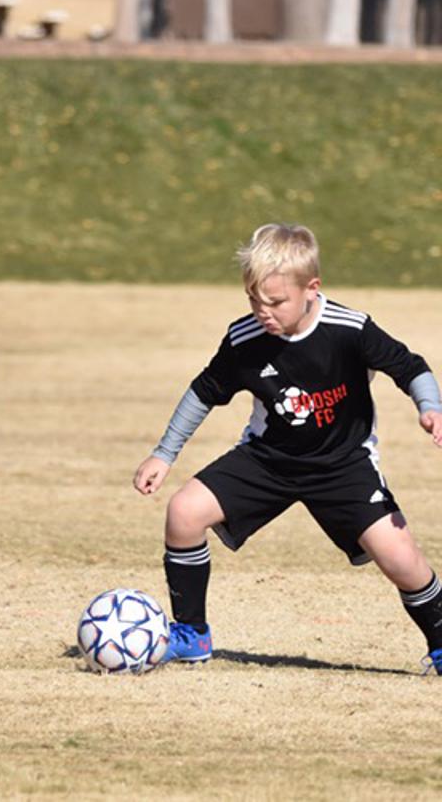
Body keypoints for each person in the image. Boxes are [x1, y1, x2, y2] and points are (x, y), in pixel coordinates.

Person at [133, 223, 442, 674]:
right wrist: (164, 454)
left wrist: (430, 406)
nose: (264, 311)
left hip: (343, 465)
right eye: (254, 299)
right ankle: (191, 634)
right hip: (268, 460)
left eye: (275, 302)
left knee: (400, 558)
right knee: (183, 513)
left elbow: (410, 366)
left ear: (311, 289)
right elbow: (203, 392)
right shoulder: (245, 339)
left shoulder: (348, 329)